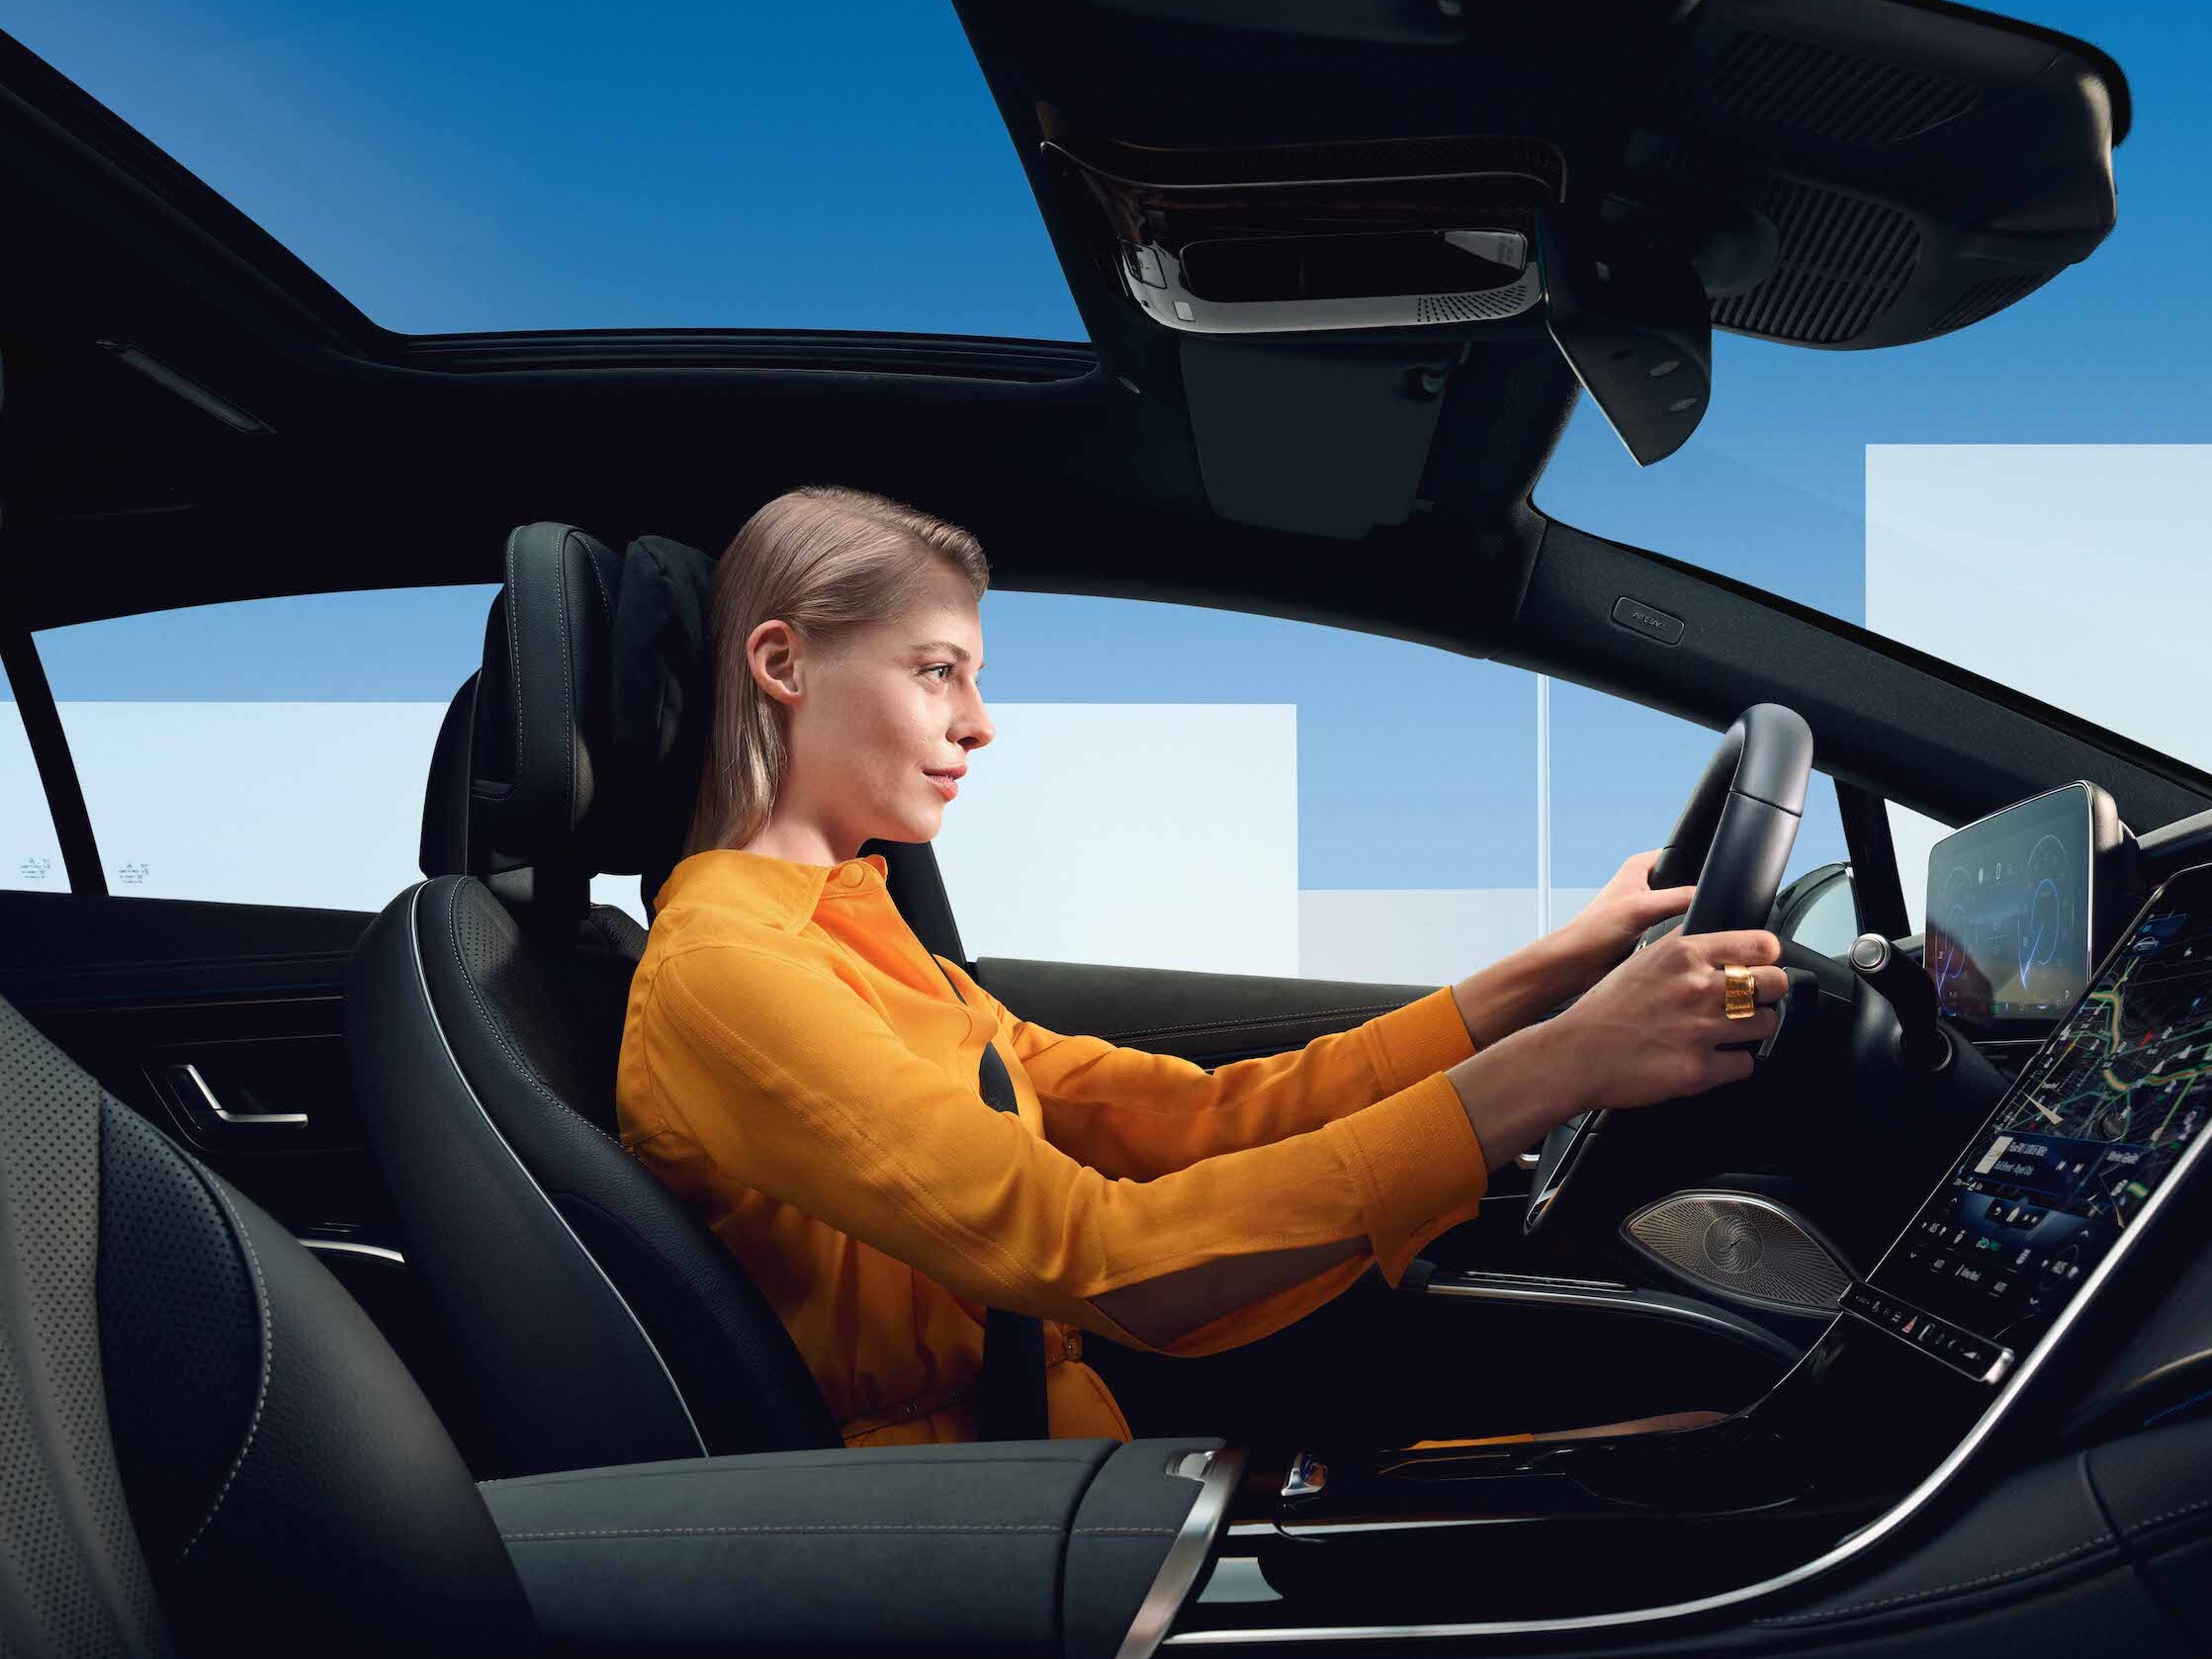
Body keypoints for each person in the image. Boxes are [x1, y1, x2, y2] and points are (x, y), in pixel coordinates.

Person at [614, 484, 1787, 1447]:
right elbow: (1105, 1258)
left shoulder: (849, 930)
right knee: (1708, 1463)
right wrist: (1562, 1065)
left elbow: (1195, 1117)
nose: (979, 723)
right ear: (781, 662)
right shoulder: (730, 972)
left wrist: (1555, 969)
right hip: (974, 1529)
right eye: (936, 670)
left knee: (1686, 1443)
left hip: (1066, 1450)